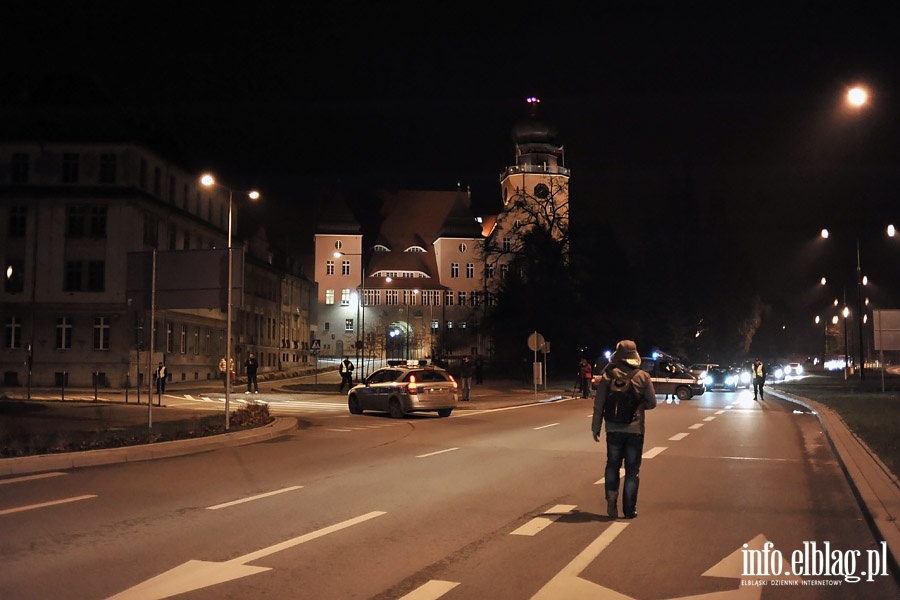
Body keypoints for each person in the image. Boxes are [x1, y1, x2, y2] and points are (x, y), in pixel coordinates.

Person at [591, 340, 657, 520]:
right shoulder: (643, 376)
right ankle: (629, 509)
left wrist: (596, 426)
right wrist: (637, 406)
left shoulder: (607, 376)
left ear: (618, 356)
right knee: (632, 471)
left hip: (612, 429)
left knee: (612, 465)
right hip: (635, 430)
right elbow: (652, 403)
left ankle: (611, 499)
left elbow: (599, 405)